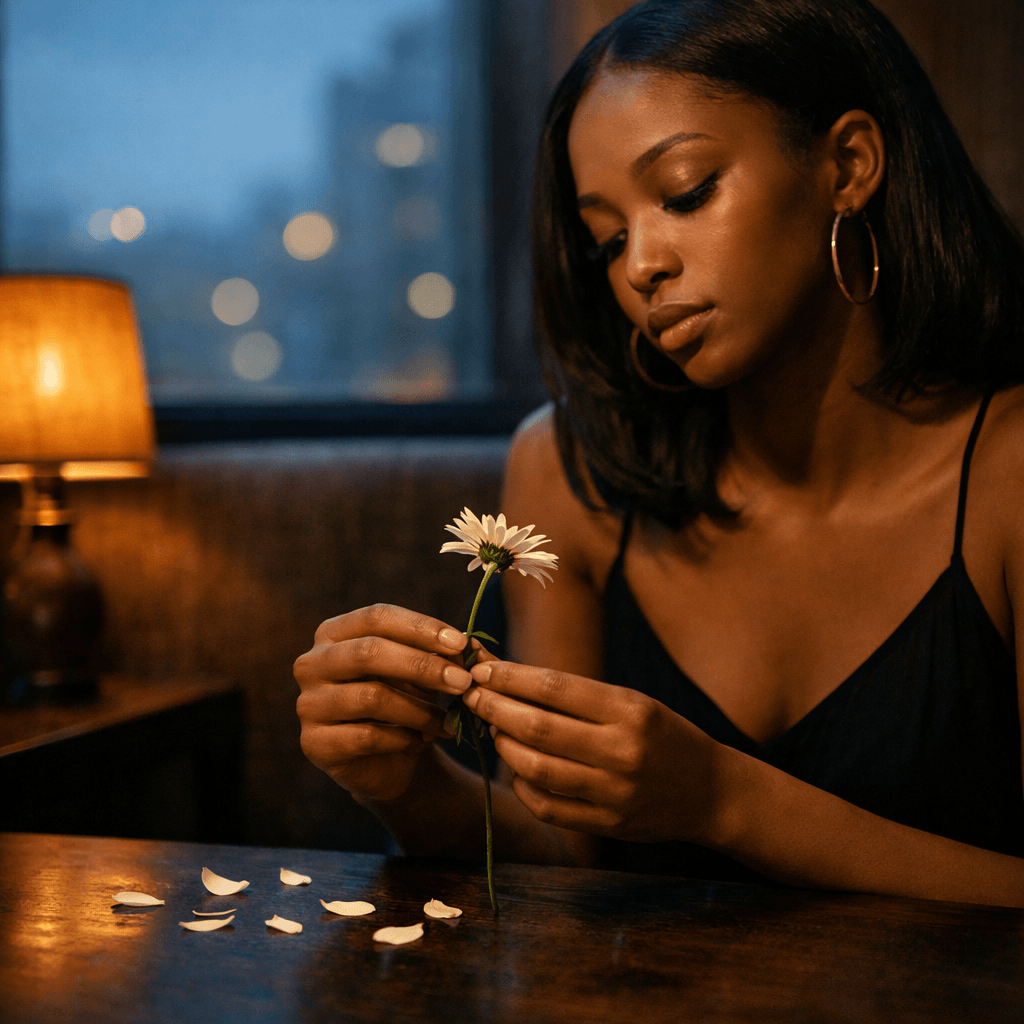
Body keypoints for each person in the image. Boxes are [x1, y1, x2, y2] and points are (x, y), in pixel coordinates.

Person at [294, 0, 1024, 907]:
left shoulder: (1007, 471)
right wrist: (404, 783)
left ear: (848, 164)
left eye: (684, 191)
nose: (640, 265)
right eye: (606, 237)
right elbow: (569, 852)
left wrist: (724, 800)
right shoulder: (569, 470)